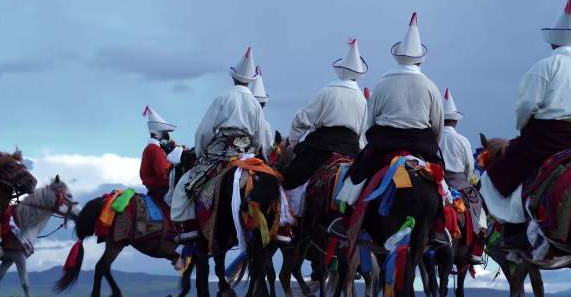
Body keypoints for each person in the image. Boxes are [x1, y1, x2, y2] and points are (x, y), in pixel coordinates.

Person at [481, 0, 571, 247]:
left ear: (552, 41)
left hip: (545, 138)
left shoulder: (544, 67)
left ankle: (515, 231)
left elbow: (527, 105)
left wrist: (523, 126)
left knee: (501, 173)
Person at [337, 12, 445, 207]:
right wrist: (431, 147)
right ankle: (440, 228)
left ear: (398, 58)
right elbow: (437, 125)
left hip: (384, 144)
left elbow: (370, 121)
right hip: (421, 144)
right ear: (421, 60)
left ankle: (346, 217)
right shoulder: (431, 86)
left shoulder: (383, 83)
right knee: (441, 184)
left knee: (356, 177)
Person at [170, 47, 272, 242]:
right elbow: (260, 138)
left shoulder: (223, 97)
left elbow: (204, 131)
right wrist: (259, 154)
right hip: (246, 155)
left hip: (220, 153)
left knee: (185, 184)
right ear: (250, 81)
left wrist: (201, 153)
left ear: (233, 77)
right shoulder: (254, 103)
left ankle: (189, 228)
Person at [283, 39, 368, 219]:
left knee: (289, 183)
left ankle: (287, 223)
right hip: (351, 151)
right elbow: (362, 132)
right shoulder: (361, 99)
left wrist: (294, 142)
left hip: (321, 147)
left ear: (340, 70)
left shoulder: (327, 91)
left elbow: (302, 118)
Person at [438, 88, 486, 264]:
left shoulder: (433, 137)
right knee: (477, 206)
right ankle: (477, 250)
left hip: (436, 180)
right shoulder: (462, 140)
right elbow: (469, 166)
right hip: (459, 181)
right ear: (455, 122)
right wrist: (466, 181)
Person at [139, 106, 177, 207]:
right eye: (165, 133)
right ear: (157, 134)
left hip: (153, 186)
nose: (167, 136)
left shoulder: (152, 148)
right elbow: (164, 173)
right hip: (160, 187)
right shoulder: (155, 149)